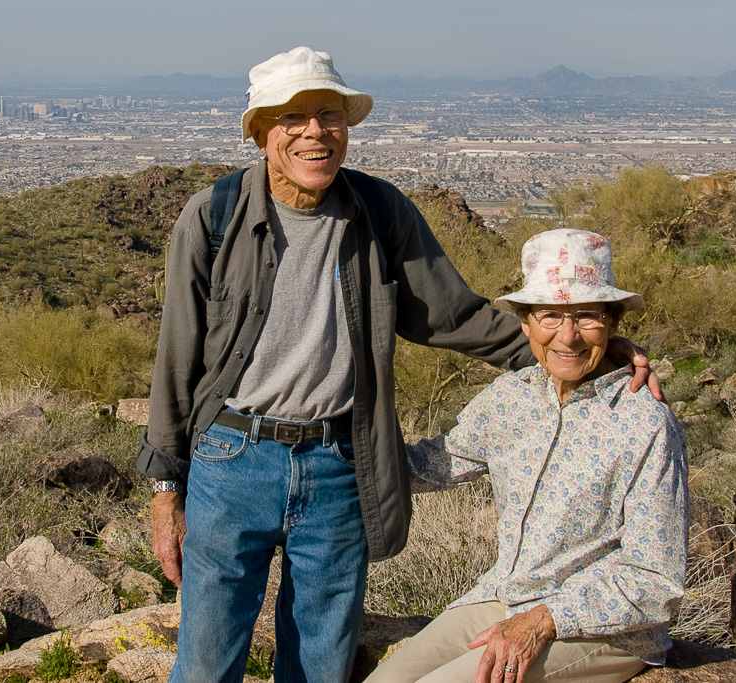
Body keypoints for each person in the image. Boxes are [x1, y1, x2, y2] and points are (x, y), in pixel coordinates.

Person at [137, 47, 660, 683]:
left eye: (328, 114)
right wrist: (167, 487)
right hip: (230, 456)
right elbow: (176, 357)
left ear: (347, 127)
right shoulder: (214, 218)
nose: (314, 132)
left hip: (338, 462)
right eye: (292, 117)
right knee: (206, 656)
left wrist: (585, 354)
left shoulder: (380, 216)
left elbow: (457, 317)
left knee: (320, 659)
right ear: (260, 132)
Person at [365, 229, 689, 683]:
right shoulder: (511, 398)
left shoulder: (645, 424)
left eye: (588, 317)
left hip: (602, 629)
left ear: (613, 325)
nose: (569, 336)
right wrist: (335, 443)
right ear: (525, 323)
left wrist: (544, 620)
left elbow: (656, 579)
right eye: (550, 316)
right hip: (506, 596)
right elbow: (432, 466)